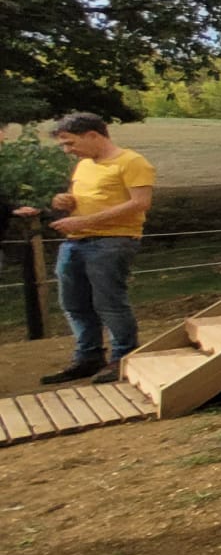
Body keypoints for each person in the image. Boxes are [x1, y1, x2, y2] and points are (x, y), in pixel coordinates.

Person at [10, 113, 155, 385]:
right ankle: (88, 357)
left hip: (112, 241)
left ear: (93, 135)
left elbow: (140, 203)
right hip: (75, 242)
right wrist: (63, 202)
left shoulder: (132, 162)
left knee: (109, 302)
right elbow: (86, 199)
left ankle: (123, 357)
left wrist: (87, 220)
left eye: (70, 143)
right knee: (73, 302)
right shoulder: (84, 164)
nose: (68, 150)